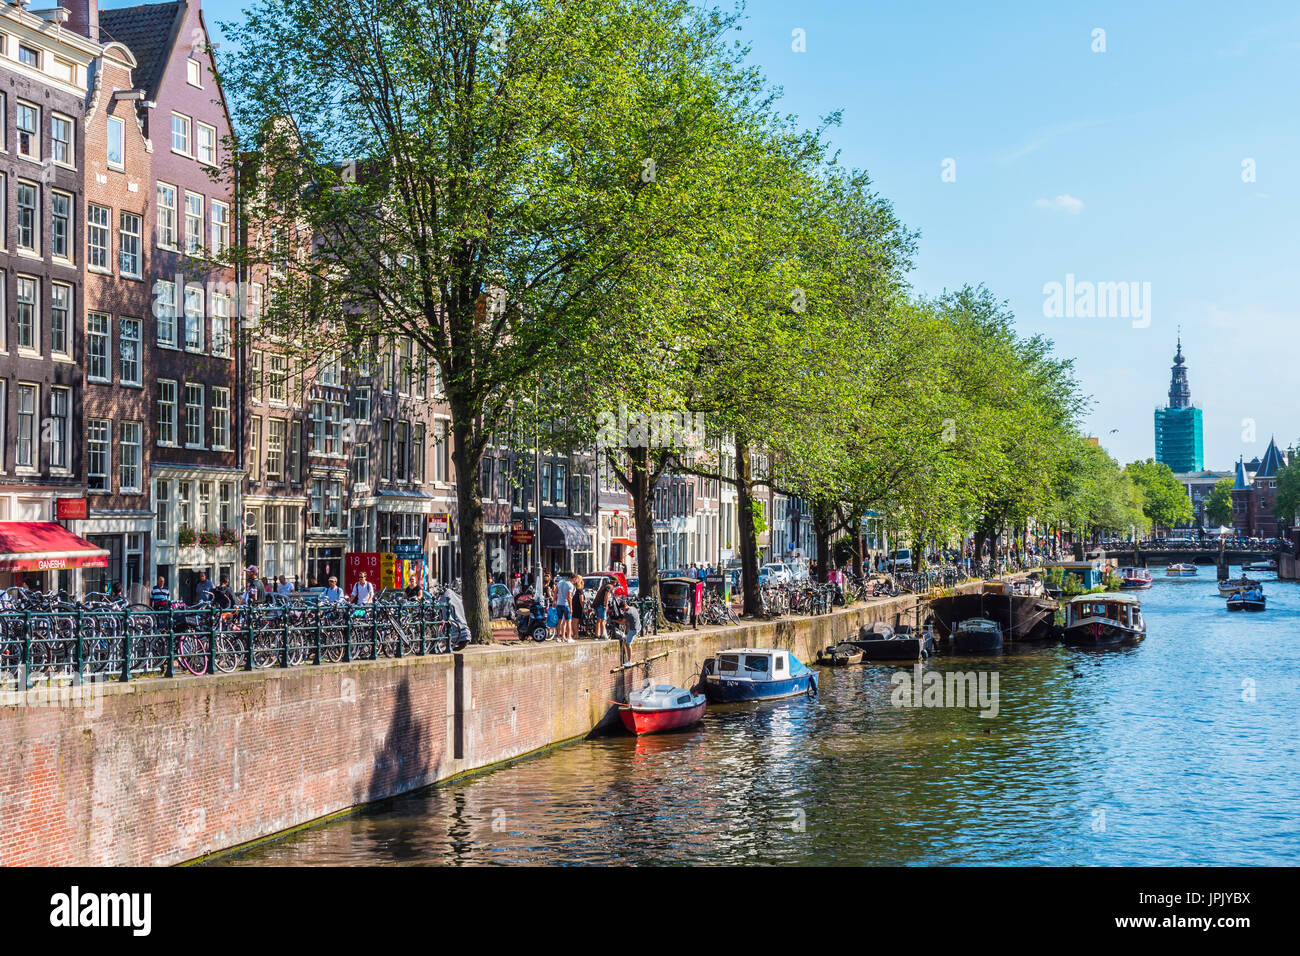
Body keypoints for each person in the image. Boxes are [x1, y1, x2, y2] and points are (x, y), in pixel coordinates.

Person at [554, 572, 575, 643]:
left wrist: (554, 600)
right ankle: (569, 637)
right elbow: (569, 597)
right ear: (573, 578)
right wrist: (571, 608)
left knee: (560, 621)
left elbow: (555, 591)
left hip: (559, 603)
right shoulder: (570, 585)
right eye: (575, 579)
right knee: (568, 621)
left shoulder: (560, 582)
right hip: (566, 605)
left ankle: (559, 637)